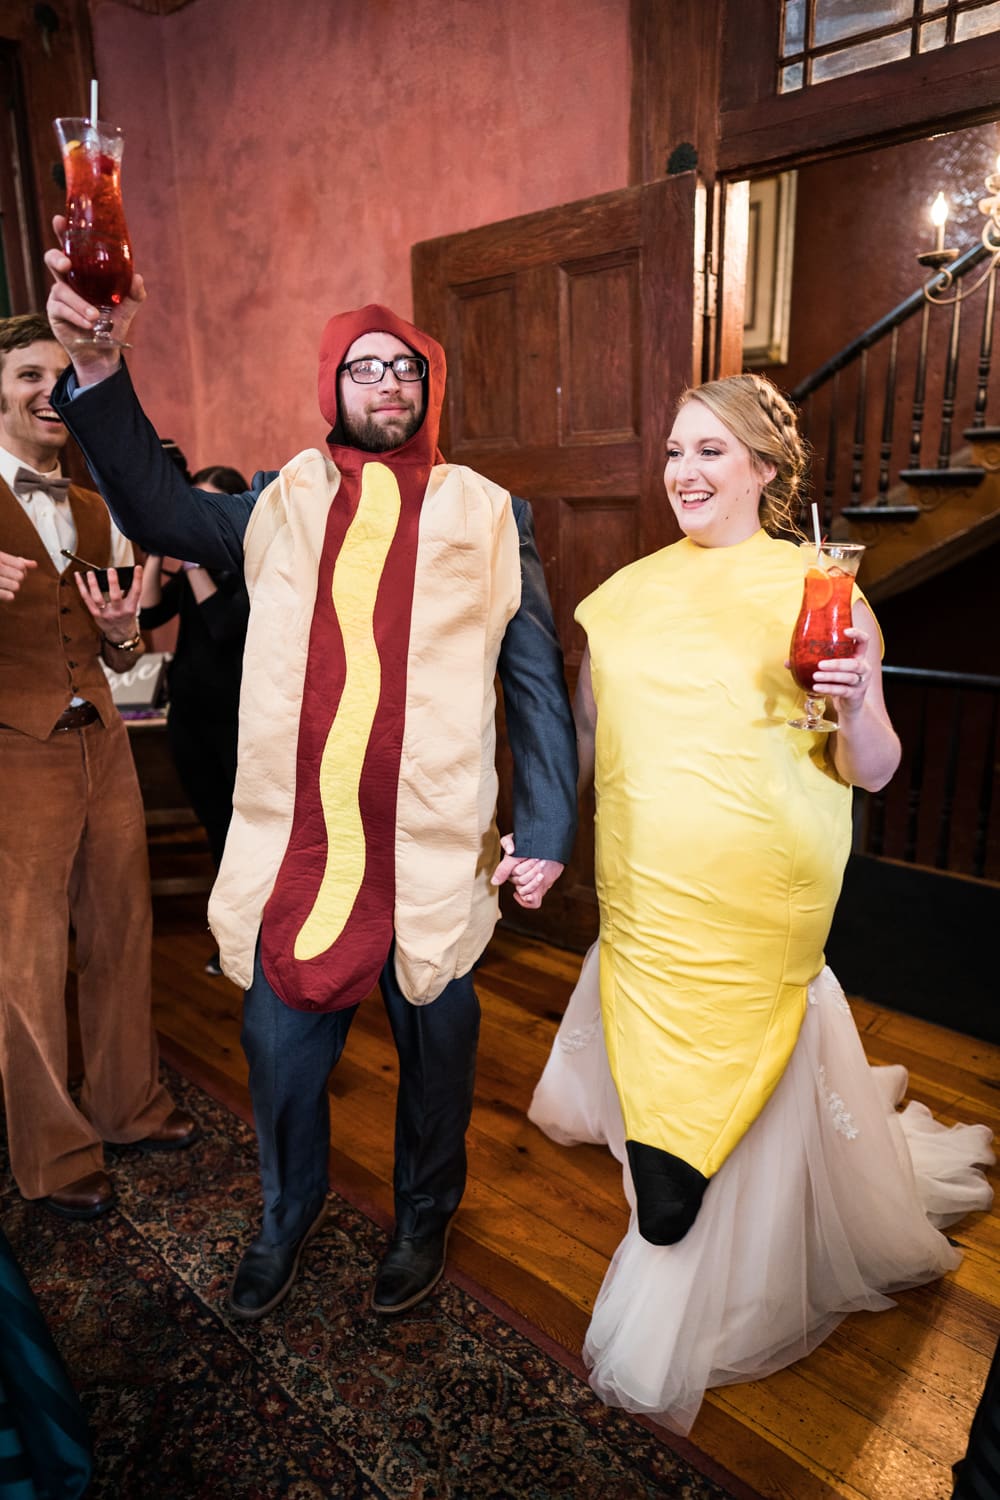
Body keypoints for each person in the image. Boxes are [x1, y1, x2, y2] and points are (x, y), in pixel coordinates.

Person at [44, 245, 577, 1322]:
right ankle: (287, 1216)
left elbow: (536, 689)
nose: (387, 383)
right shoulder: (280, 505)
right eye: (363, 368)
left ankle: (423, 1217)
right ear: (332, 386)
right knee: (278, 1063)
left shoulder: (489, 514)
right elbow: (153, 506)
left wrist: (550, 824)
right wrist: (100, 370)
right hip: (306, 859)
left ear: (428, 389)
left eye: (404, 369)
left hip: (434, 859)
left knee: (437, 1069)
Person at [525, 374, 994, 1433]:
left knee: (742, 1066)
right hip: (647, 892)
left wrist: (861, 699)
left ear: (764, 472)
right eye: (674, 453)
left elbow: (870, 771)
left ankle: (736, 1280)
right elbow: (591, 740)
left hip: (759, 891)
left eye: (710, 453)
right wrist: (547, 837)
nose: (683, 473)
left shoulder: (821, 587)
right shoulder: (626, 595)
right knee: (667, 1077)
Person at [0, 313, 197, 1222]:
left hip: (104, 738)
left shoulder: (88, 506)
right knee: (29, 958)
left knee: (122, 924)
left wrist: (124, 638)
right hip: (14, 752)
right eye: (26, 376)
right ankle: (52, 1150)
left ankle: (127, 1105)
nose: (50, 393)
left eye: (58, 376)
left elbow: (118, 644)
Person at [139, 462, 251, 975]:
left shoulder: (249, 564)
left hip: (237, 720)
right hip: (188, 716)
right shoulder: (192, 565)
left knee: (239, 832)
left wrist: (190, 563)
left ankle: (250, 939)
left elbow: (227, 628)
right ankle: (233, 937)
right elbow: (146, 615)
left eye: (204, 509)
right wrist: (159, 543)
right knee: (213, 827)